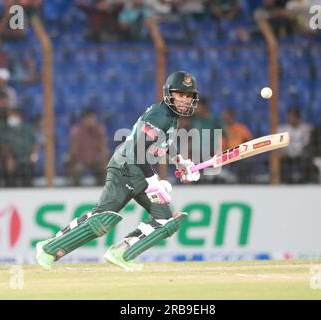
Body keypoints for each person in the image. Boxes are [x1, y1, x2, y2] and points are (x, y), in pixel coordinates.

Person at [36, 71, 201, 271]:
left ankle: (121, 252)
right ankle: (48, 248)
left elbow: (162, 142)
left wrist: (179, 161)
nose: (184, 100)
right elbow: (140, 148)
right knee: (102, 218)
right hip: (126, 168)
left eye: (188, 96)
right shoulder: (160, 114)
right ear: (169, 93)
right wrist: (153, 181)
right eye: (180, 94)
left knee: (165, 219)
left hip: (141, 171)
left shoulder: (172, 116)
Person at [67, 109, 109, 186]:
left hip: (96, 160)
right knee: (77, 169)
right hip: (80, 161)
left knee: (105, 169)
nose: (91, 120)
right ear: (83, 119)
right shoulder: (76, 131)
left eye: (92, 118)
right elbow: (74, 150)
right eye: (88, 118)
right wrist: (73, 161)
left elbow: (103, 148)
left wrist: (104, 161)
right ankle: (76, 190)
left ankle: (102, 190)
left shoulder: (99, 130)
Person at [277, 107, 312, 183]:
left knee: (308, 160)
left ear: (298, 117)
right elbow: (279, 144)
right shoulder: (281, 129)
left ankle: (305, 181)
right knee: (279, 161)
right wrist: (283, 153)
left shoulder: (305, 128)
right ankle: (285, 181)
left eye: (292, 117)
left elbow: (307, 143)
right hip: (286, 155)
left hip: (301, 155)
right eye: (289, 117)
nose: (290, 119)